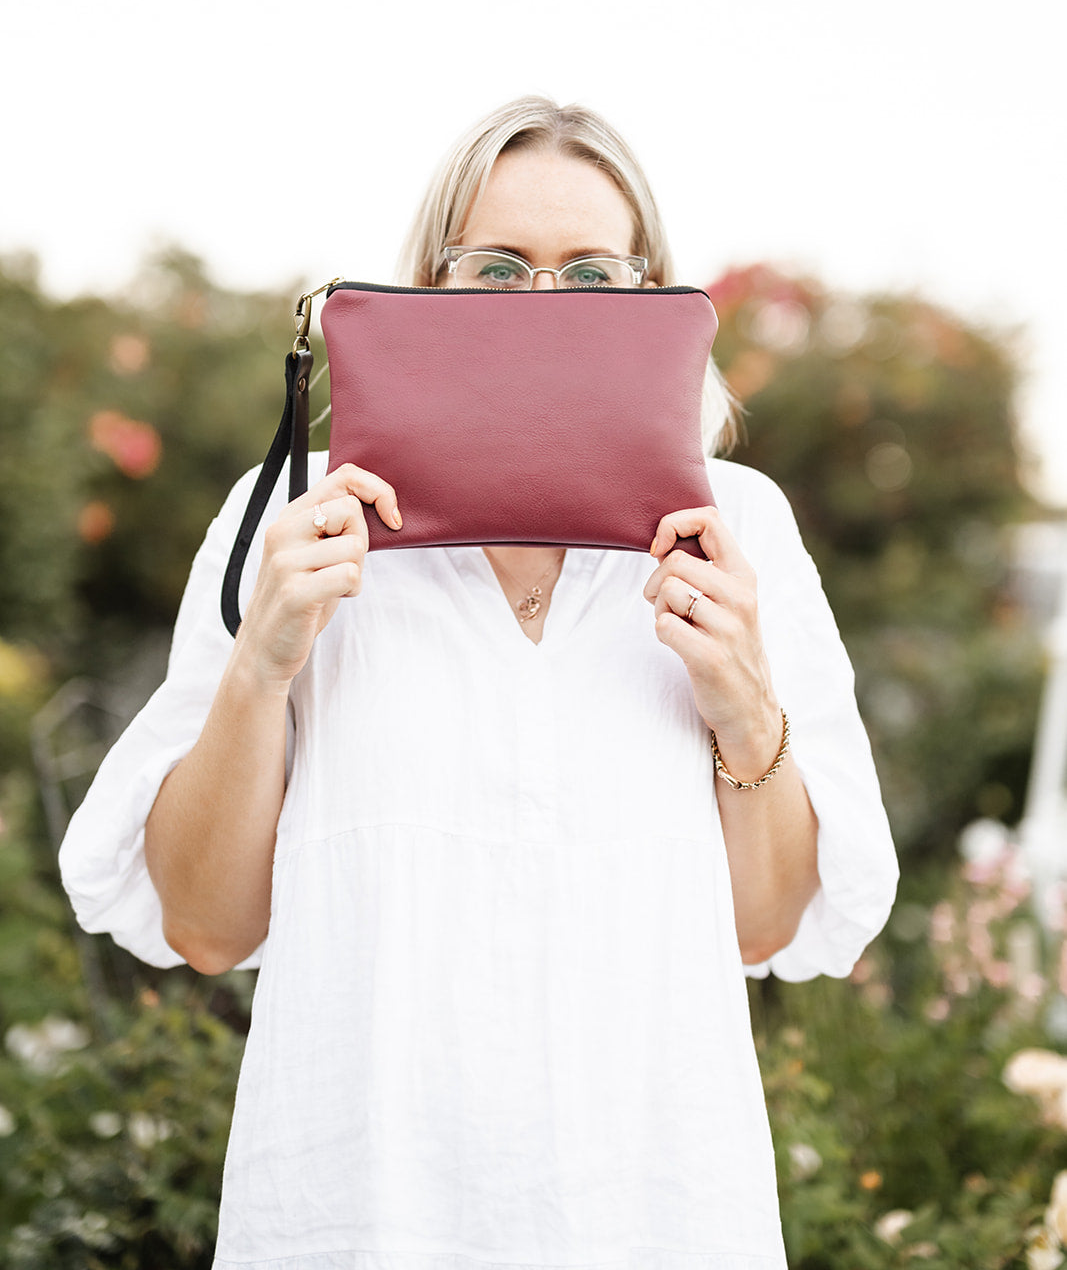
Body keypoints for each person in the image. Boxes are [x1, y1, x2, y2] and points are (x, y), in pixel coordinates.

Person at [60, 95, 899, 1270]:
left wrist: (742, 701)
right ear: (424, 290)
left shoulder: (738, 528)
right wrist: (263, 659)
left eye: (594, 274)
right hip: (353, 1214)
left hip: (656, 1216)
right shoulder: (297, 524)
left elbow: (760, 926)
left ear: (654, 300)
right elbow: (203, 922)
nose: (543, 310)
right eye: (496, 268)